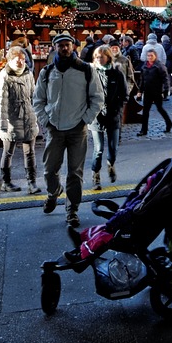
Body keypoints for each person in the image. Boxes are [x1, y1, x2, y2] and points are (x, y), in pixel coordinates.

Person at [32, 32, 104, 229]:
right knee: (49, 170)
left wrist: (85, 120)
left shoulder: (86, 70)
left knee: (75, 172)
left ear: (73, 47)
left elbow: (97, 98)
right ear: (55, 47)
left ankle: (72, 210)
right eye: (61, 45)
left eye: (68, 45)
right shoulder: (47, 72)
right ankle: (53, 192)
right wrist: (46, 120)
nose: (65, 48)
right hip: (54, 128)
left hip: (77, 129)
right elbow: (38, 100)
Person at [0, 45, 39, 193]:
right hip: (12, 119)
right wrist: (2, 125)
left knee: (30, 152)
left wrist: (37, 115)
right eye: (17, 59)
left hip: (28, 116)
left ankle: (32, 183)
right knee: (8, 152)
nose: (21, 61)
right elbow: (1, 102)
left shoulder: (28, 74)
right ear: (10, 59)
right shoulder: (5, 76)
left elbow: (34, 95)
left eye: (23, 58)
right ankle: (6, 182)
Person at [90, 45, 128, 188]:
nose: (99, 59)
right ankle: (96, 174)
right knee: (98, 148)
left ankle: (110, 164)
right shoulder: (92, 73)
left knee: (113, 148)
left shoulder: (117, 74)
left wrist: (117, 109)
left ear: (108, 57)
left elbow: (124, 95)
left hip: (112, 115)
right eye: (97, 57)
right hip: (96, 116)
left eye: (101, 56)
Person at [135, 46, 172, 137]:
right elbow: (142, 79)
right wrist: (140, 91)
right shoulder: (144, 66)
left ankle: (169, 123)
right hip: (147, 91)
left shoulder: (159, 66)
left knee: (160, 108)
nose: (149, 57)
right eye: (148, 56)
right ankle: (143, 130)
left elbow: (165, 79)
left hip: (157, 91)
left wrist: (165, 90)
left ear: (155, 56)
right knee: (145, 111)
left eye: (151, 56)